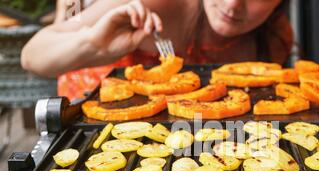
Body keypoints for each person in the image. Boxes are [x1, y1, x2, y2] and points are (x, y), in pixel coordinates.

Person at [21, 0, 293, 100]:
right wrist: (93, 43)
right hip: (93, 116)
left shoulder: (275, 38)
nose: (233, 5)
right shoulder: (151, 3)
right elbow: (32, 55)